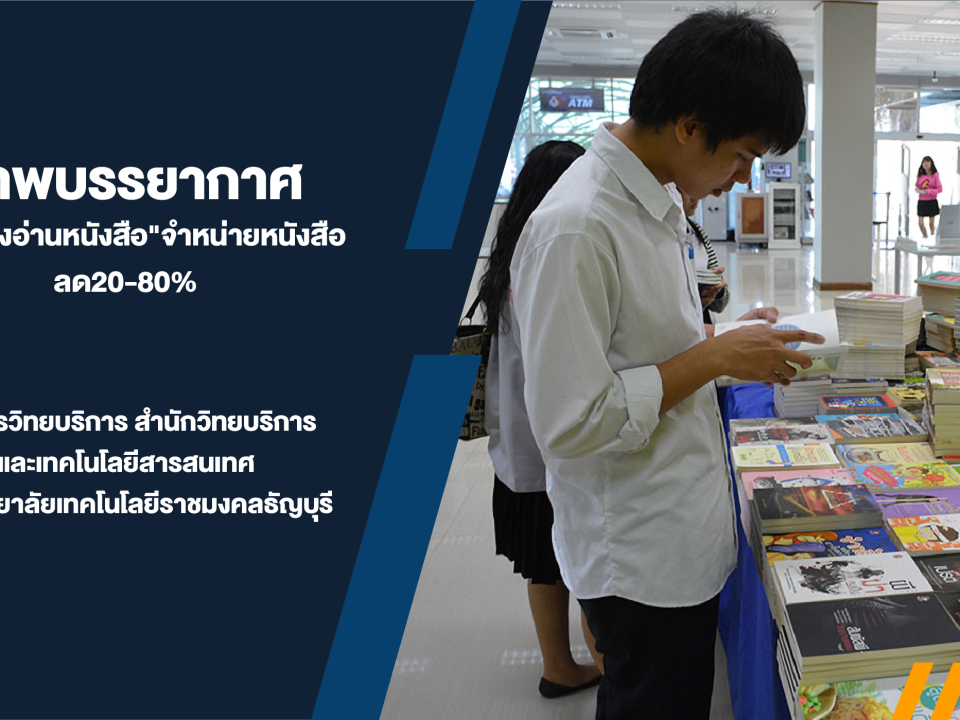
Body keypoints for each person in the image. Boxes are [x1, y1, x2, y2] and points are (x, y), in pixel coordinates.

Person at [510, 10, 822, 720]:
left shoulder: (655, 203)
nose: (742, 180)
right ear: (689, 125)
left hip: (678, 531)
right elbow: (570, 423)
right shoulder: (578, 226)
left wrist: (732, 341)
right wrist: (714, 355)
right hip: (638, 558)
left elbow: (652, 345)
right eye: (740, 156)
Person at [478, 140, 603, 699]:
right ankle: (604, 670)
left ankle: (558, 665)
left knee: (544, 567)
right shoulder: (553, 256)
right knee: (585, 565)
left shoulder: (509, 260)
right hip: (554, 452)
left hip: (517, 454)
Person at [680, 188, 729, 324]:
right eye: (687, 190)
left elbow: (720, 305)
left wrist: (717, 289)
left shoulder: (698, 233)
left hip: (702, 324)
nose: (695, 198)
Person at [916, 155, 942, 238]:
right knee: (920, 223)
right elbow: (917, 185)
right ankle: (925, 235)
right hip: (922, 201)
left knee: (931, 223)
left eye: (927, 162)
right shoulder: (920, 175)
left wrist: (928, 192)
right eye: (924, 162)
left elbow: (939, 189)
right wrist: (918, 190)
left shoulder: (935, 175)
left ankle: (932, 236)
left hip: (931, 200)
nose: (925, 164)